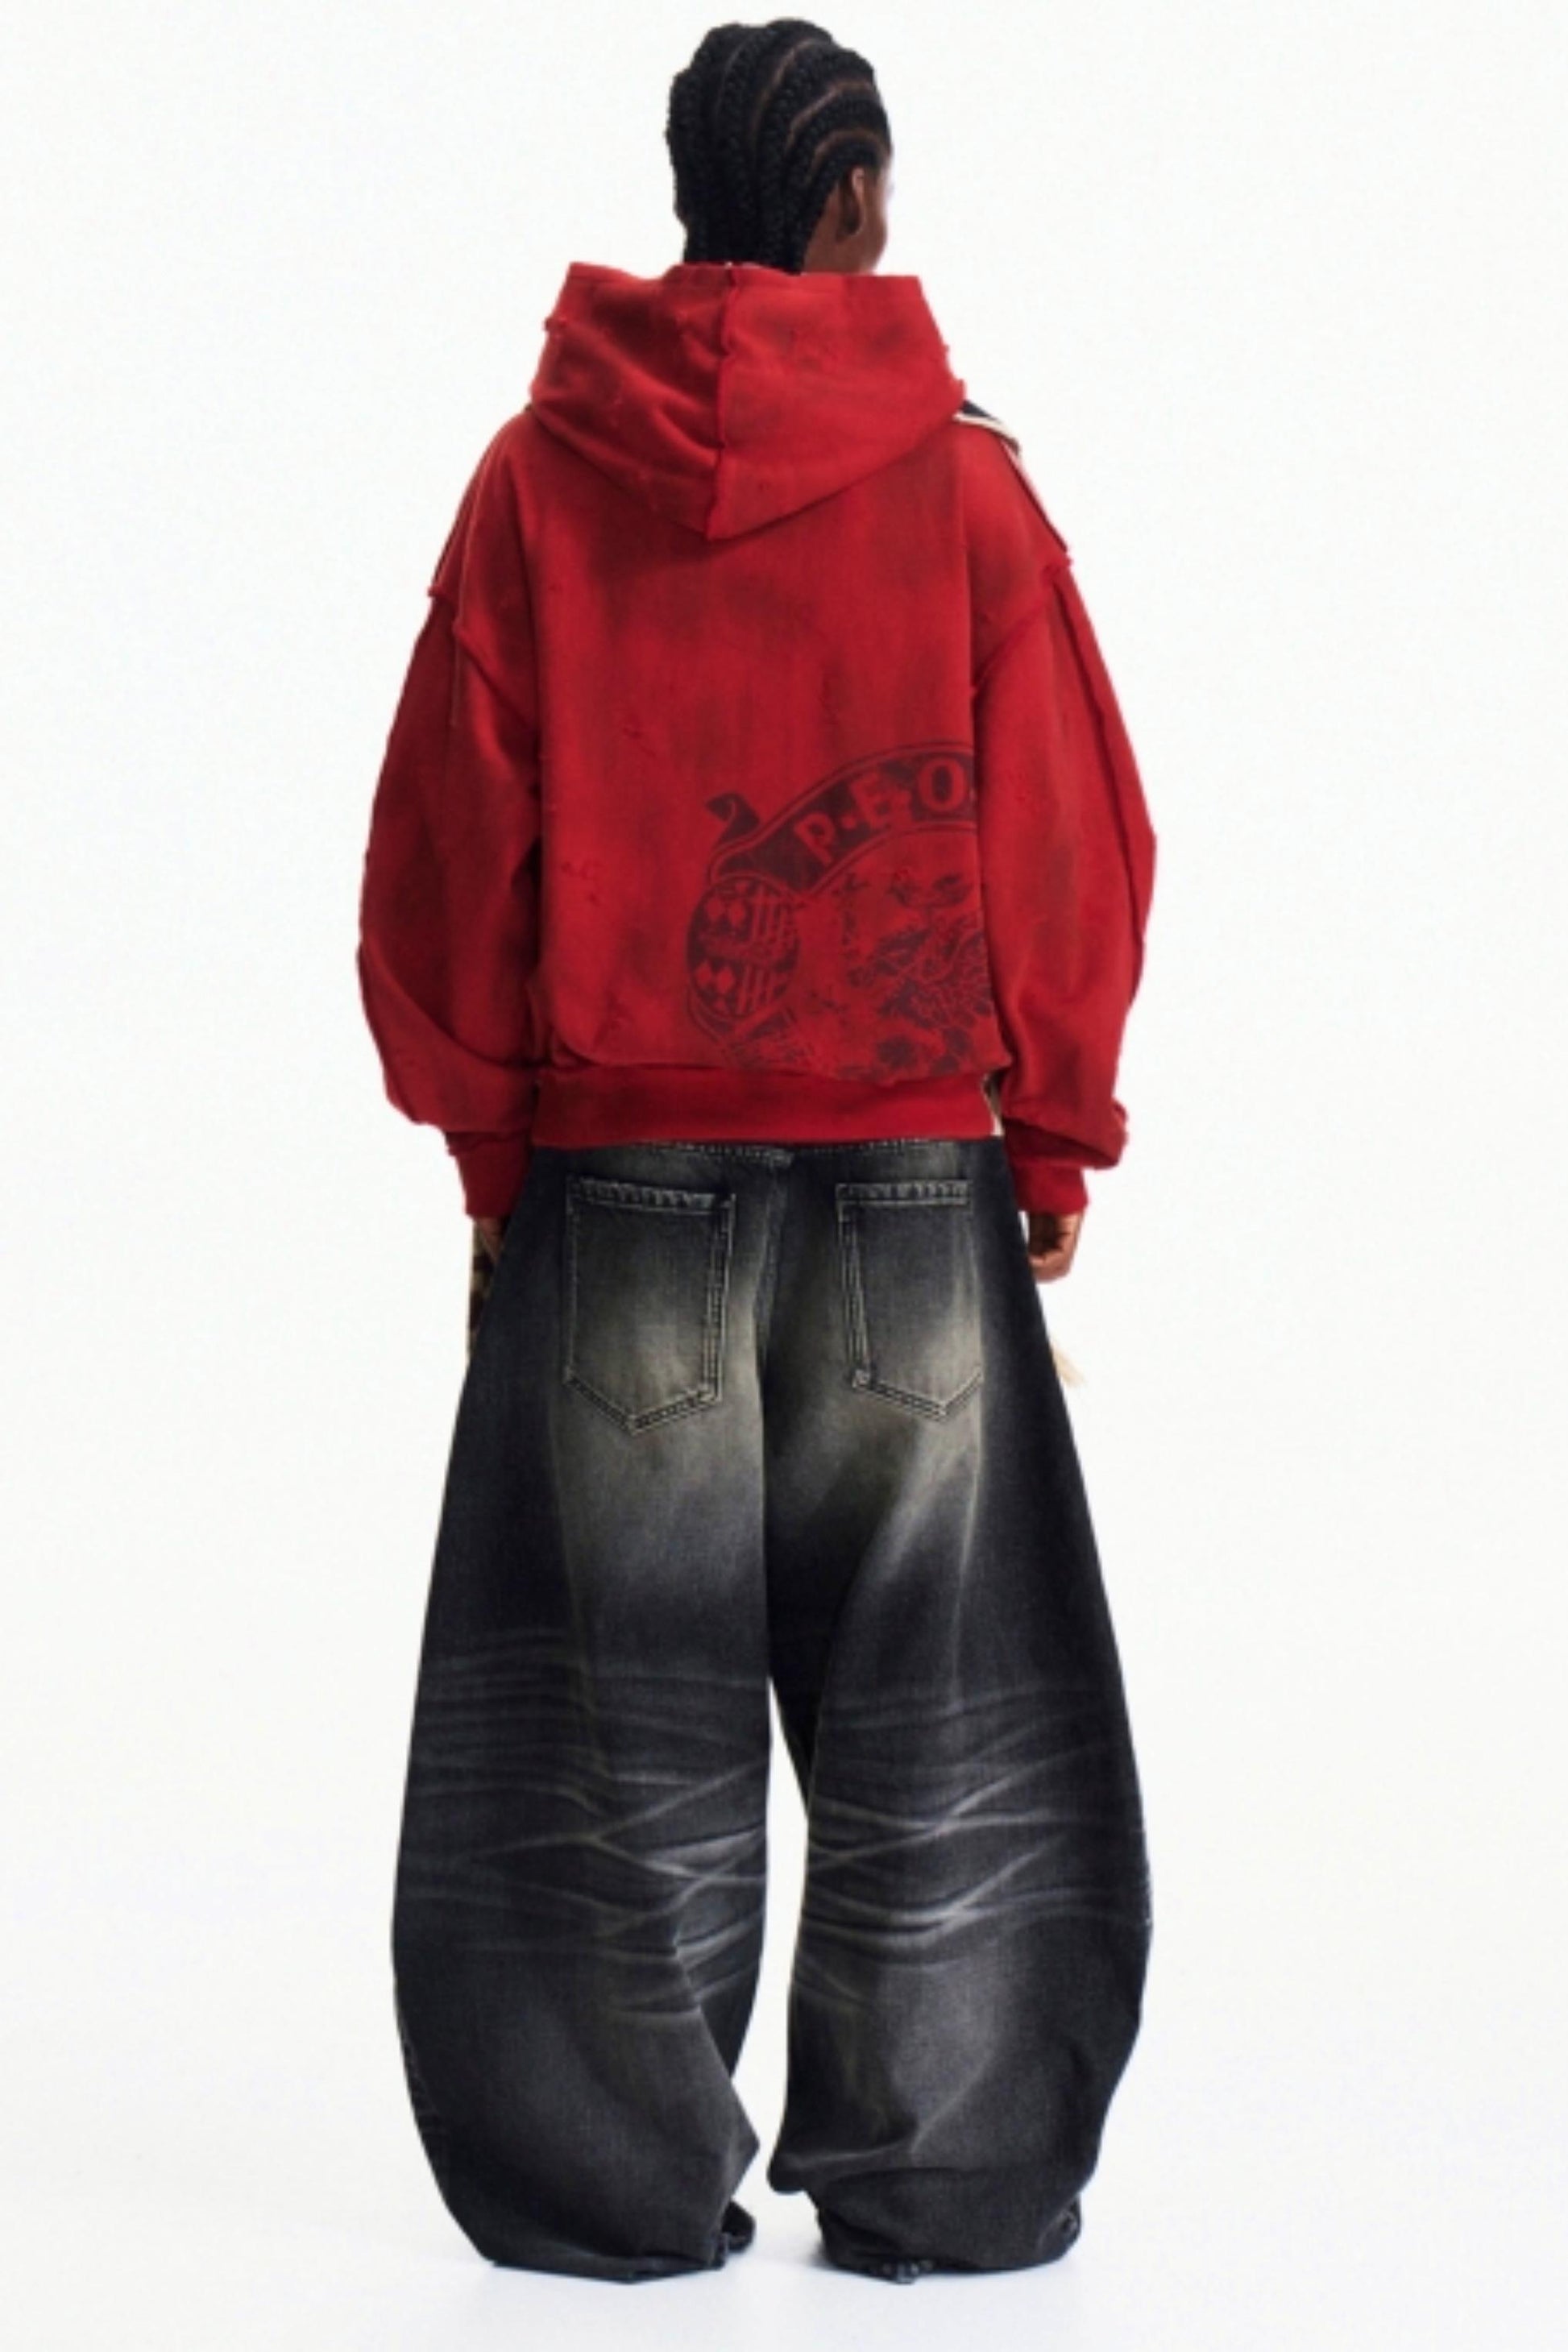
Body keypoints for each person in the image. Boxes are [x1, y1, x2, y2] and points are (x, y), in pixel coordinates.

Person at [357, 17, 1156, 2288]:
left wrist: (493, 1162)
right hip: (909, 1186)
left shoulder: (537, 481)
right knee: (946, 1697)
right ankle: (946, 2178)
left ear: (692, 194)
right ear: (855, 201)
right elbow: (1072, 834)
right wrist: (1051, 1139)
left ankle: (603, 2193)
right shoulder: (967, 492)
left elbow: (442, 857)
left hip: (617, 1192)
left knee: (612, 1724)